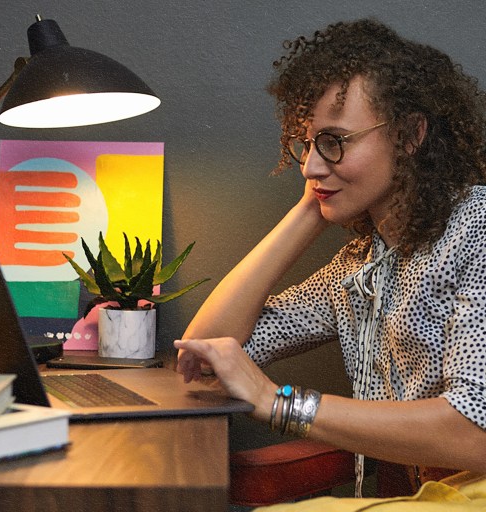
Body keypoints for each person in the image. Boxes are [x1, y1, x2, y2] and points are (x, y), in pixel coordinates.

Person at [174, 18, 486, 498]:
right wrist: (308, 212)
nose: (309, 165)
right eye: (307, 143)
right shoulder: (362, 263)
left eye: (335, 142)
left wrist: (277, 402)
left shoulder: (477, 227)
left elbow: (474, 432)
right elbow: (207, 351)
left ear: (409, 135)